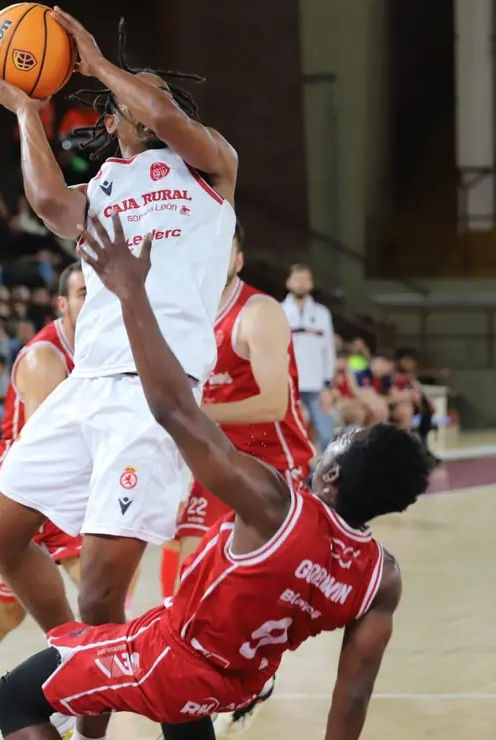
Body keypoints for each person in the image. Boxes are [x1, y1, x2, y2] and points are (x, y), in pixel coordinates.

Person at [0, 211, 430, 740]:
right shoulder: (381, 576)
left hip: (171, 661)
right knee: (185, 686)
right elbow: (354, 692)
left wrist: (131, 293)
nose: (324, 445)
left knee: (15, 696)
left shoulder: (275, 504)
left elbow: (173, 409)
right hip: (238, 680)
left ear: (331, 476)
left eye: (336, 443)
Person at [0, 16, 238, 739]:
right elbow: (49, 203)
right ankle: (75, 666)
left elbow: (157, 112)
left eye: (152, 95)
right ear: (111, 123)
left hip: (153, 391)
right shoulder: (104, 185)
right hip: (88, 384)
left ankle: (106, 706)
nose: (143, 103)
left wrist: (93, 62)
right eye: (128, 96)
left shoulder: (211, 166)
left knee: (99, 590)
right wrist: (30, 112)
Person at [165, 227, 315, 736]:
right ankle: (193, 691)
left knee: (252, 588)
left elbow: (274, 402)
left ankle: (251, 666)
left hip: (273, 461)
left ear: (238, 257)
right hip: (214, 459)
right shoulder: (183, 311)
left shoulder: (258, 313)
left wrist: (195, 413)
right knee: (188, 574)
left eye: (221, 244)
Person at [0, 265, 84, 725]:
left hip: (72, 481)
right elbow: (49, 451)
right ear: (63, 305)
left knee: (96, 584)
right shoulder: (44, 359)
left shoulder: (111, 344)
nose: (93, 302)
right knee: (8, 612)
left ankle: (72, 692)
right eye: (83, 293)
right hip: (21, 486)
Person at [282, 264, 336, 451]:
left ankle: (325, 476)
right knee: (294, 434)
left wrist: (328, 384)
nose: (301, 284)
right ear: (288, 282)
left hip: (317, 386)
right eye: (297, 279)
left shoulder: (322, 314)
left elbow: (328, 350)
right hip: (288, 385)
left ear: (311, 284)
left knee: (327, 434)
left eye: (306, 280)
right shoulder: (278, 311)